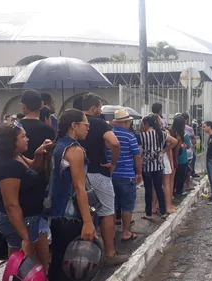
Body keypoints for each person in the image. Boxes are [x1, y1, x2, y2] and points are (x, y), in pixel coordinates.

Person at [44, 109, 96, 281]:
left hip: (56, 213)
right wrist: (88, 222)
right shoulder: (75, 150)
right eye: (86, 124)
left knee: (59, 260)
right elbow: (79, 188)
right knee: (72, 266)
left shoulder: (58, 146)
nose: (88, 128)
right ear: (74, 125)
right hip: (71, 214)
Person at [0, 121, 53, 266]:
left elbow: (32, 168)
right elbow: (11, 205)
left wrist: (37, 154)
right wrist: (24, 236)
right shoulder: (7, 167)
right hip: (21, 221)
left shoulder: (17, 156)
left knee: (40, 261)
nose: (27, 139)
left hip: (32, 217)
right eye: (23, 137)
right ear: (11, 142)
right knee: (24, 264)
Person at [78, 93, 128, 265]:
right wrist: (113, 163)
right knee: (107, 211)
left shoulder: (74, 122)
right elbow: (114, 143)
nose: (100, 111)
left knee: (86, 212)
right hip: (98, 172)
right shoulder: (98, 123)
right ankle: (109, 253)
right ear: (94, 108)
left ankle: (86, 254)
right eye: (99, 108)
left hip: (78, 174)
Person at [18, 89, 55, 271]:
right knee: (40, 229)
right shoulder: (48, 130)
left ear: (23, 106)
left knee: (20, 232)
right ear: (42, 105)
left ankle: (23, 270)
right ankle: (43, 269)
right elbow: (50, 160)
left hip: (16, 182)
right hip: (42, 183)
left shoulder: (16, 128)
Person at [109, 109, 142, 241]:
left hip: (111, 175)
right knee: (127, 206)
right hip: (127, 175)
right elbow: (137, 156)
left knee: (111, 206)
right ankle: (126, 232)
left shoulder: (108, 135)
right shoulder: (130, 136)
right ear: (126, 122)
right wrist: (139, 173)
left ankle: (110, 232)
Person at [139, 116, 174, 220]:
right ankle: (163, 212)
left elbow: (139, 151)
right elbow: (175, 141)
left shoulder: (141, 136)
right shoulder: (161, 134)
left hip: (147, 167)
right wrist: (164, 150)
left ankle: (148, 213)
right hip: (158, 165)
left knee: (148, 190)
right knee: (159, 188)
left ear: (146, 124)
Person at [172, 115, 191, 196]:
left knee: (174, 177)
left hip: (173, 158)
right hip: (182, 158)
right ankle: (179, 191)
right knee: (181, 176)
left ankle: (172, 191)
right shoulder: (184, 136)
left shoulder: (171, 133)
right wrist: (184, 146)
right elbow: (189, 146)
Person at [181, 112, 196, 189]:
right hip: (188, 151)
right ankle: (188, 185)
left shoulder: (177, 128)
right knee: (189, 169)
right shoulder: (189, 128)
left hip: (180, 151)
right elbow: (193, 138)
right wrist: (194, 144)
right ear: (186, 120)